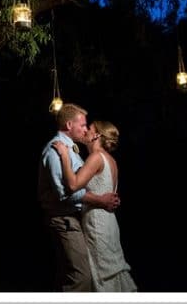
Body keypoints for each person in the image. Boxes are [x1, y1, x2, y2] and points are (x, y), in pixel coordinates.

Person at [38, 103, 120, 292]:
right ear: (69, 125)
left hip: (77, 219)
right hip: (64, 219)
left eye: (86, 126)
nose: (85, 129)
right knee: (82, 276)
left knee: (71, 275)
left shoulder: (73, 150)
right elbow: (65, 193)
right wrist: (100, 200)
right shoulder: (55, 150)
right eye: (82, 125)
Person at [52, 120, 137, 292]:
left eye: (88, 129)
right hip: (109, 223)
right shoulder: (110, 160)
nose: (85, 131)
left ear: (97, 135)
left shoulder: (96, 157)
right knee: (110, 271)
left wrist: (65, 156)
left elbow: (73, 186)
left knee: (101, 274)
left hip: (97, 224)